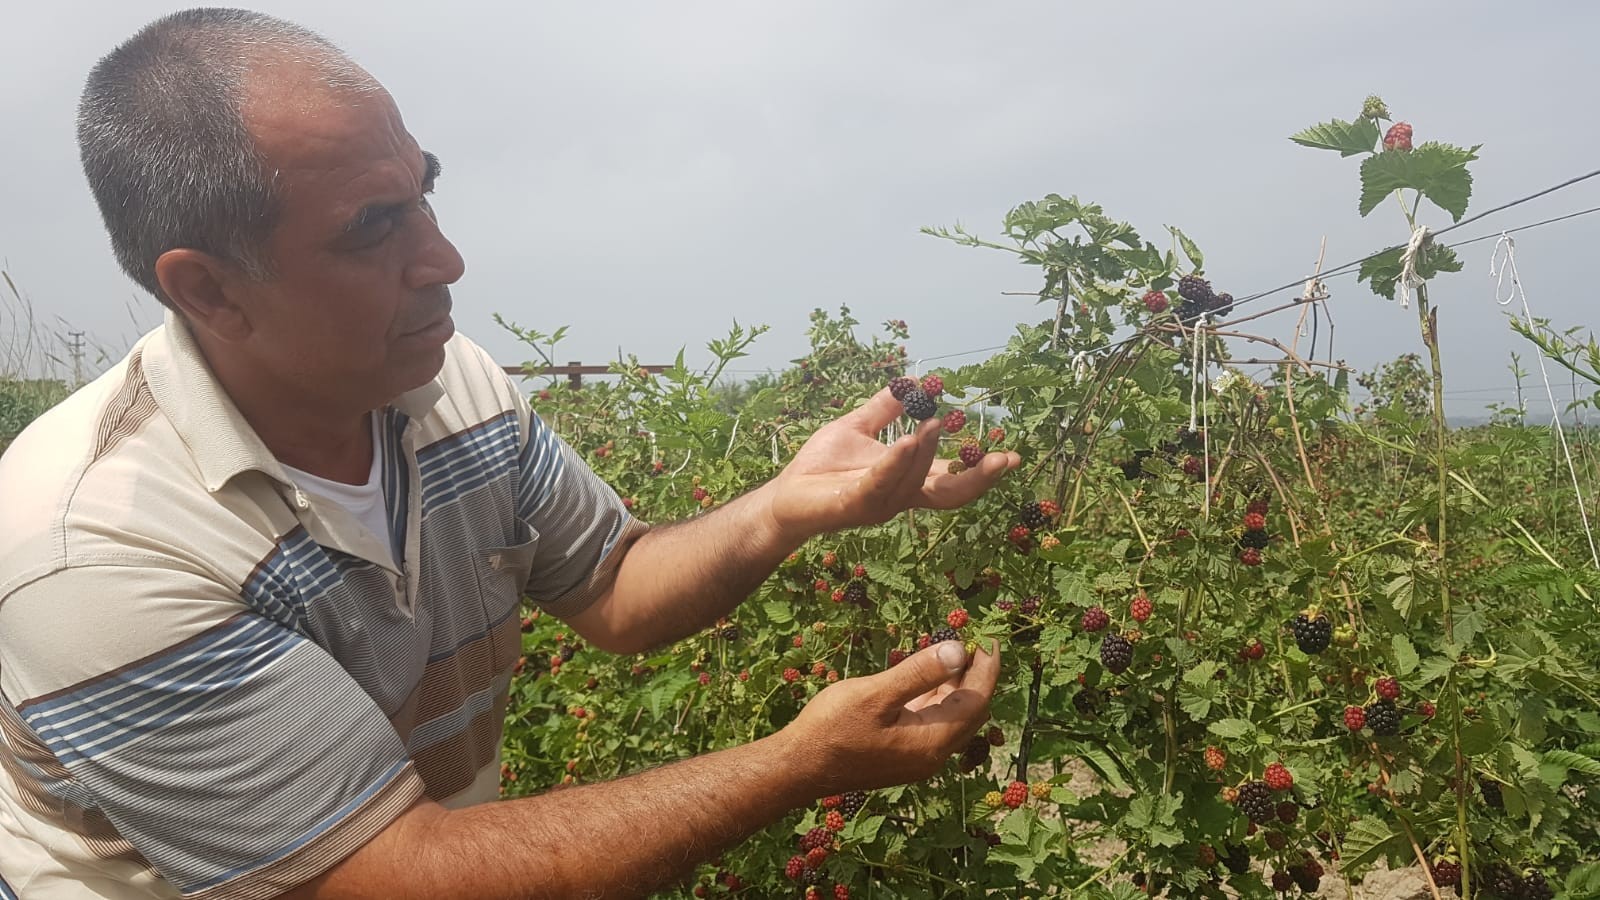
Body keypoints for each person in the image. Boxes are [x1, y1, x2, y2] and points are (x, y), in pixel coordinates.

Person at [0, 8, 1021, 899]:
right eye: (372, 230)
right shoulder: (89, 552)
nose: (444, 259)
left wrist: (786, 507)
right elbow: (384, 878)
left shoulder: (449, 388)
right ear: (210, 291)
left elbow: (615, 588)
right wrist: (799, 762)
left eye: (424, 193)